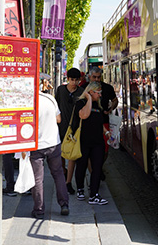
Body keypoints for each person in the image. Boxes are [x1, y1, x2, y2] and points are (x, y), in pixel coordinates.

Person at [28, 91, 70, 219]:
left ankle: (39, 210)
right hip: (53, 143)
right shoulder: (50, 99)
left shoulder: (29, 101)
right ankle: (64, 205)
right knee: (58, 174)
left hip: (36, 146)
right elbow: (59, 119)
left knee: (37, 179)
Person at [72, 81, 110, 205]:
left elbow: (99, 123)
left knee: (97, 168)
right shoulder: (81, 103)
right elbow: (84, 115)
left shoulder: (98, 106)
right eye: (98, 93)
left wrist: (106, 132)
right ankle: (80, 189)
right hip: (84, 141)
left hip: (98, 142)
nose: (100, 95)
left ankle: (94, 194)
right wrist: (88, 99)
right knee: (81, 166)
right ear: (91, 92)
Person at [82, 67, 118, 180]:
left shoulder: (107, 88)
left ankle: (98, 168)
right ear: (89, 77)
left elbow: (115, 100)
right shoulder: (84, 88)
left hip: (104, 122)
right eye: (94, 77)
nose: (97, 79)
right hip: (88, 125)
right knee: (90, 151)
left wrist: (111, 108)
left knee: (105, 151)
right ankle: (94, 173)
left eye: (98, 77)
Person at [55, 68, 84, 194]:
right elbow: (56, 106)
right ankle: (63, 171)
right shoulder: (61, 90)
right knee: (60, 153)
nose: (74, 83)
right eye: (72, 80)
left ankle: (68, 182)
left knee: (72, 156)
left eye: (76, 80)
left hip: (74, 128)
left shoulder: (81, 92)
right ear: (68, 79)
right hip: (61, 126)